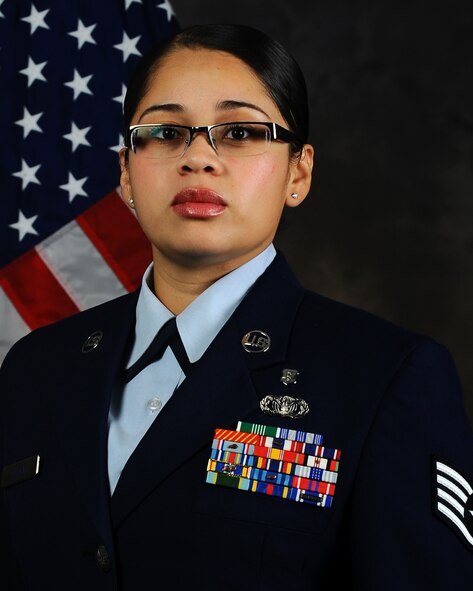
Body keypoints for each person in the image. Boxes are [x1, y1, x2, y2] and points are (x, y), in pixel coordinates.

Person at [1, 24, 472, 590]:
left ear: (297, 172)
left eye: (242, 130)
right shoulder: (35, 369)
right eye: (167, 131)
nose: (198, 157)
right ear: (126, 171)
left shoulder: (387, 378)